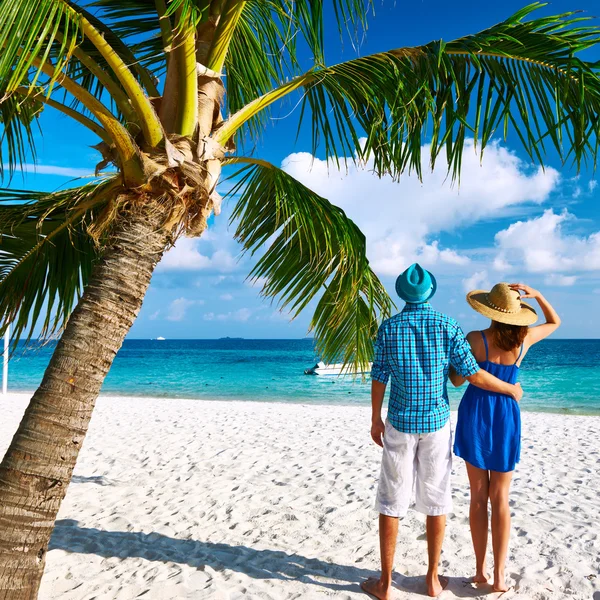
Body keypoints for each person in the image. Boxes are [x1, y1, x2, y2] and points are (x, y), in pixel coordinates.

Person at [361, 264, 524, 600]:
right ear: (431, 291)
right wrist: (509, 391)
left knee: (391, 501)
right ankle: (433, 580)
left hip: (400, 423)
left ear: (402, 294)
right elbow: (472, 374)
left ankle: (386, 583)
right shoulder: (448, 325)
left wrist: (375, 418)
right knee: (436, 501)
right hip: (436, 425)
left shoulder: (388, 329)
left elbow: (379, 377)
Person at [450, 282, 560, 593]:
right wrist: (538, 295)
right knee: (500, 498)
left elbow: (458, 380)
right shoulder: (524, 340)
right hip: (506, 416)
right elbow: (554, 322)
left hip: (475, 414)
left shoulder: (475, 339)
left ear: (488, 309)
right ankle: (499, 576)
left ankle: (480, 571)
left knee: (477, 497)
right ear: (517, 314)